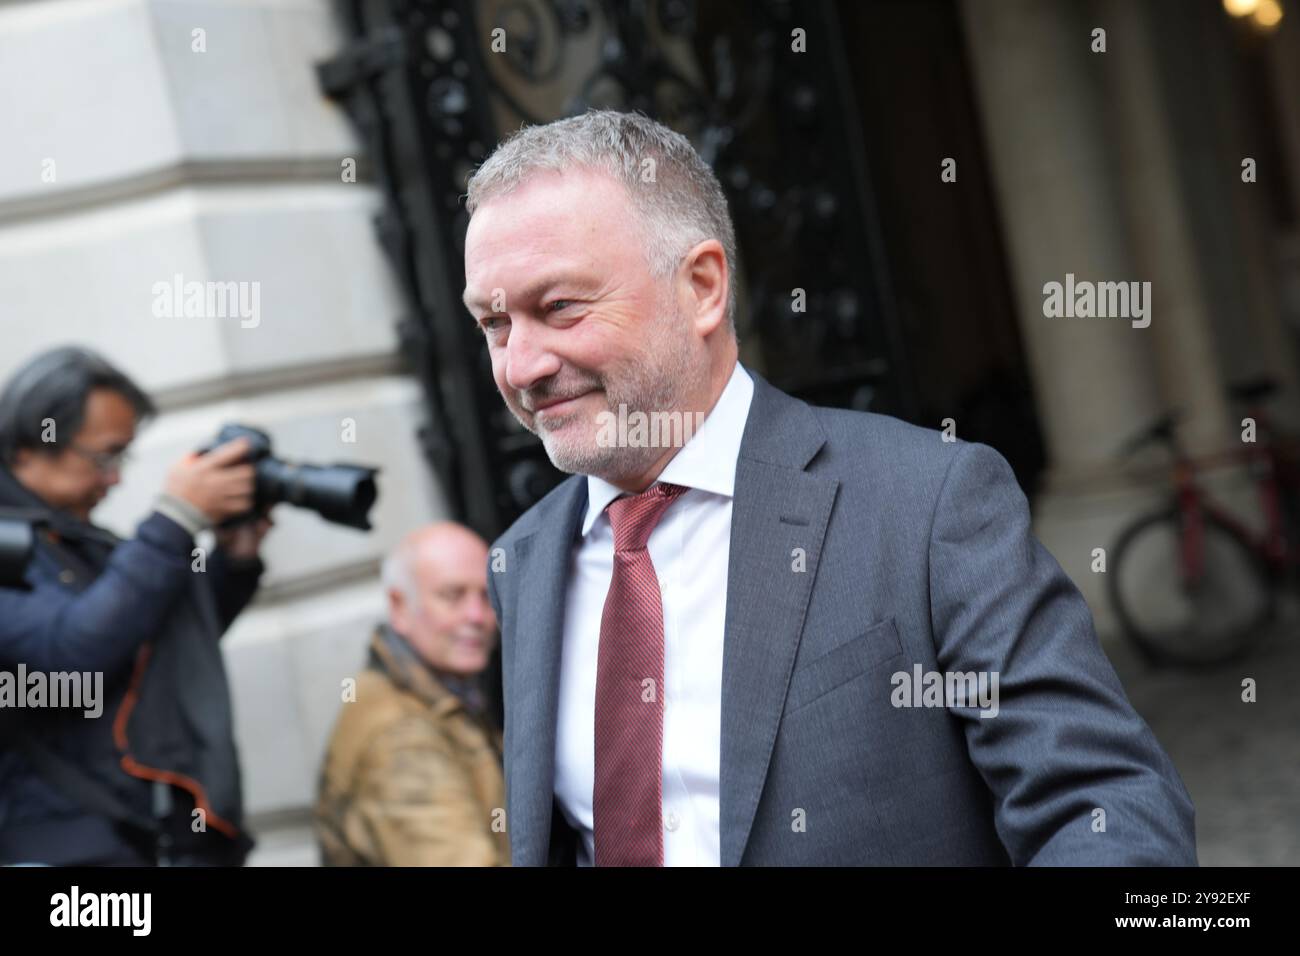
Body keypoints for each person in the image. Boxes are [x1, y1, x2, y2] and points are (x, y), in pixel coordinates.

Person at [461, 110, 1198, 866]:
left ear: (702, 287)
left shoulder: (927, 501)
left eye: (559, 308)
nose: (521, 366)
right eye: (493, 323)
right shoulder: (526, 562)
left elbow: (1105, 808)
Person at [0, 346, 270, 865]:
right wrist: (174, 517)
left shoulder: (63, 534)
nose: (115, 479)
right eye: (105, 456)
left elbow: (147, 644)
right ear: (34, 440)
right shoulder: (14, 545)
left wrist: (234, 561)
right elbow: (69, 658)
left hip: (142, 838)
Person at [315, 523, 509, 866]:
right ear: (399, 607)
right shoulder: (401, 736)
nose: (477, 616)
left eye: (485, 596)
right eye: (453, 596)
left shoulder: (438, 693)